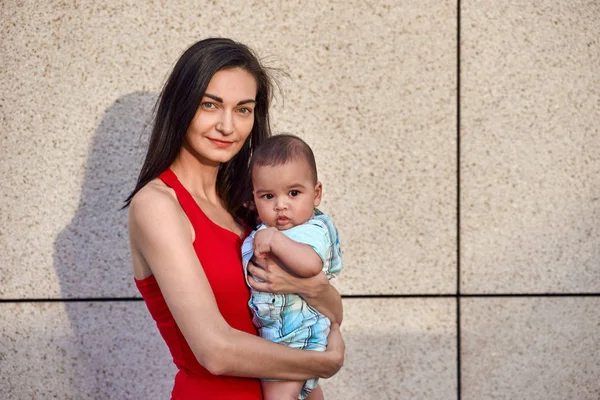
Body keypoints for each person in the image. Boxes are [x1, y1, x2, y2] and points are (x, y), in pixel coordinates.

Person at [124, 38, 344, 399]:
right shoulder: (158, 205)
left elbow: (332, 309)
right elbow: (215, 351)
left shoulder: (251, 207)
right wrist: (326, 363)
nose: (228, 126)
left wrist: (309, 287)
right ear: (181, 106)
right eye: (210, 105)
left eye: (243, 110)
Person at [241, 134, 343, 400]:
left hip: (293, 335)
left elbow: (310, 265)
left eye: (294, 193)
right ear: (254, 198)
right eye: (268, 196)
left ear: (316, 193)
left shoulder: (310, 229)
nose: (281, 205)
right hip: (290, 333)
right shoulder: (270, 228)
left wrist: (275, 240)